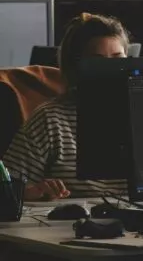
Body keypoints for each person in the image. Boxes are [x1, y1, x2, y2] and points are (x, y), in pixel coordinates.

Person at [2, 13, 129, 200]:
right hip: (77, 224)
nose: (109, 69)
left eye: (118, 59)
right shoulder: (50, 119)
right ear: (74, 66)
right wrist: (32, 192)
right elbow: (5, 191)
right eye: (97, 61)